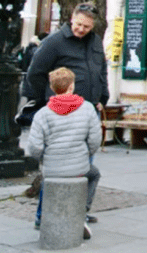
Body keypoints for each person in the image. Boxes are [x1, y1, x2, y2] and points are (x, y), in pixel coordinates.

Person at [21, 2, 108, 228]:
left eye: (87, 27)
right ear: (72, 18)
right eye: (79, 24)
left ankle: (78, 211)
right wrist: (48, 99)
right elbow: (35, 73)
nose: (82, 29)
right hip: (62, 114)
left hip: (88, 111)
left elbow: (101, 71)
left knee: (85, 169)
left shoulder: (96, 42)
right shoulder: (54, 42)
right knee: (57, 171)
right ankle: (43, 216)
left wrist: (102, 98)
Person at [26, 67, 100, 239]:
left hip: (52, 168)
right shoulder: (88, 109)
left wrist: (47, 159)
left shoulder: (42, 114)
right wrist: (84, 154)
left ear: (52, 88)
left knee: (48, 179)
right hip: (79, 167)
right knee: (94, 174)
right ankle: (81, 212)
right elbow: (95, 141)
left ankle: (43, 217)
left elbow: (34, 148)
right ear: (72, 86)